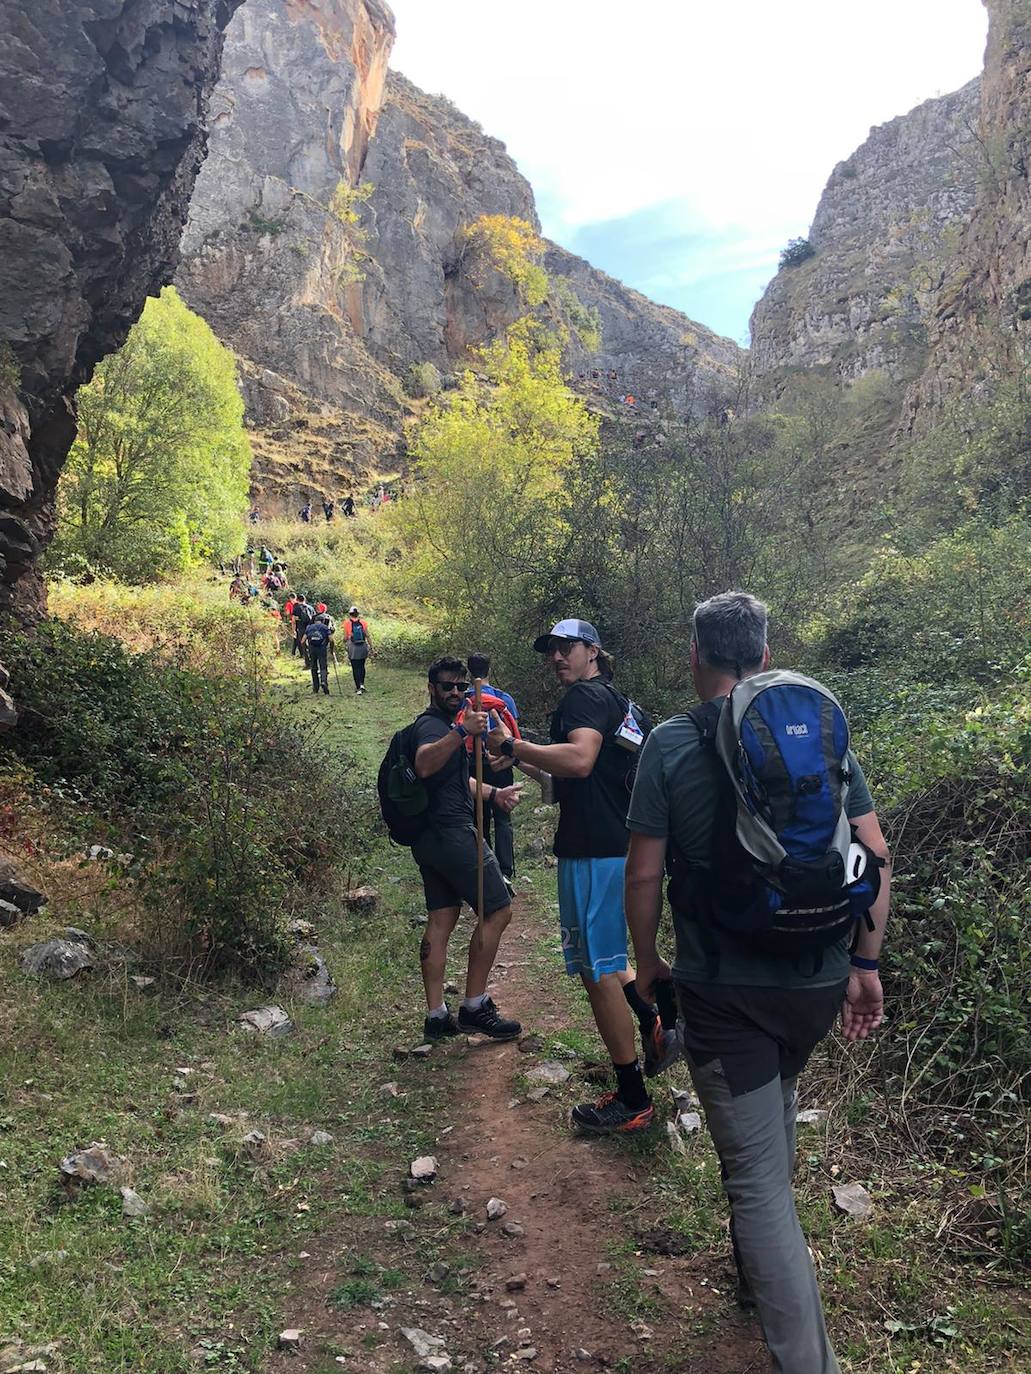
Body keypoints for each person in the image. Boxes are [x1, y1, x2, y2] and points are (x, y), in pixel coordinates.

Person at [623, 591, 892, 1374]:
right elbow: (874, 856)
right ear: (765, 656)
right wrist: (864, 965)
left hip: (723, 988)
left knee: (757, 1186)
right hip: (813, 980)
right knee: (770, 1120)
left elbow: (643, 874)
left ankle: (809, 1363)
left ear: (696, 656)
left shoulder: (671, 744)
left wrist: (648, 965)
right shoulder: (815, 731)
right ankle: (756, 1284)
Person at [486, 618, 678, 1136]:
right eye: (550, 650)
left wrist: (514, 747)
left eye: (566, 647)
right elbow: (570, 779)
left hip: (594, 852)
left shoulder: (583, 699)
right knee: (608, 959)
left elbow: (580, 761)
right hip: (617, 845)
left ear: (593, 651)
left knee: (596, 972)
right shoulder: (618, 702)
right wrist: (521, 757)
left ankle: (633, 1098)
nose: (556, 657)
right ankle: (658, 1017)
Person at [409, 658, 524, 1042]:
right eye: (447, 686)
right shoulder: (432, 725)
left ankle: (436, 1016)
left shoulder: (446, 725)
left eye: (460, 686)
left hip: (430, 838)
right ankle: (475, 1006)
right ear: (431, 688)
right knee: (499, 909)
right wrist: (461, 731)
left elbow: (460, 780)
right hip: (452, 832)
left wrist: (495, 793)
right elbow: (425, 763)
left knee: (442, 918)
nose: (455, 693)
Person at [465, 652, 520, 891]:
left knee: (480, 817)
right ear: (489, 669)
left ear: (468, 671)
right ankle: (506, 870)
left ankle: (485, 869)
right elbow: (514, 732)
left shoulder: (463, 699)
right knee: (503, 817)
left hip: (471, 763)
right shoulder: (504, 698)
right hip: (501, 761)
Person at [303, 613, 334, 695]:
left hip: (312, 649)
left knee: (313, 668)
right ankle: (324, 682)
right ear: (322, 621)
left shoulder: (309, 627)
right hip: (322, 649)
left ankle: (315, 688)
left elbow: (303, 640)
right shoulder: (325, 627)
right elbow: (331, 640)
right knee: (323, 666)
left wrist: (306, 649)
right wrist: (331, 649)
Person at [344, 605, 372, 694]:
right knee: (362, 666)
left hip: (353, 647)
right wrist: (371, 646)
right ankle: (362, 684)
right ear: (358, 614)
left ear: (350, 614)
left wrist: (344, 641)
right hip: (363, 646)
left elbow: (345, 637)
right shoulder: (363, 622)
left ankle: (358, 687)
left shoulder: (346, 623)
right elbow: (367, 635)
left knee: (355, 667)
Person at [291, 595, 314, 662]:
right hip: (310, 628)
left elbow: (293, 621)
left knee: (303, 645)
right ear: (305, 599)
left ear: (297, 600)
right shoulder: (311, 608)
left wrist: (294, 630)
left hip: (301, 629)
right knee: (311, 644)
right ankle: (313, 660)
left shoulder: (296, 608)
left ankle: (307, 662)